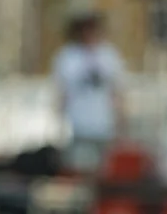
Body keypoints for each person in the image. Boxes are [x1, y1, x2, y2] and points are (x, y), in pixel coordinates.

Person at [52, 12, 126, 175]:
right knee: (79, 171)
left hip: (105, 127)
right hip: (78, 127)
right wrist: (58, 127)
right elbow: (60, 93)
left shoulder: (109, 56)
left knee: (104, 174)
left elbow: (117, 93)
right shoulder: (68, 57)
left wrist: (121, 125)